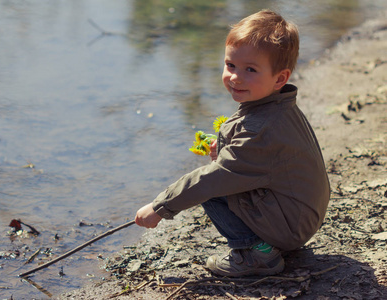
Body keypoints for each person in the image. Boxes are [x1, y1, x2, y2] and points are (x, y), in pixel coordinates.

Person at [135, 9, 330, 277]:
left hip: (291, 225)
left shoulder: (260, 129)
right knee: (217, 180)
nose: (236, 77)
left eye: (250, 69)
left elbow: (215, 179)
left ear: (280, 78)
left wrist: (160, 207)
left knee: (210, 187)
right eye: (231, 66)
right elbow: (263, 164)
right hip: (298, 214)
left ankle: (257, 255)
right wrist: (226, 152)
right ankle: (267, 243)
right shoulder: (277, 107)